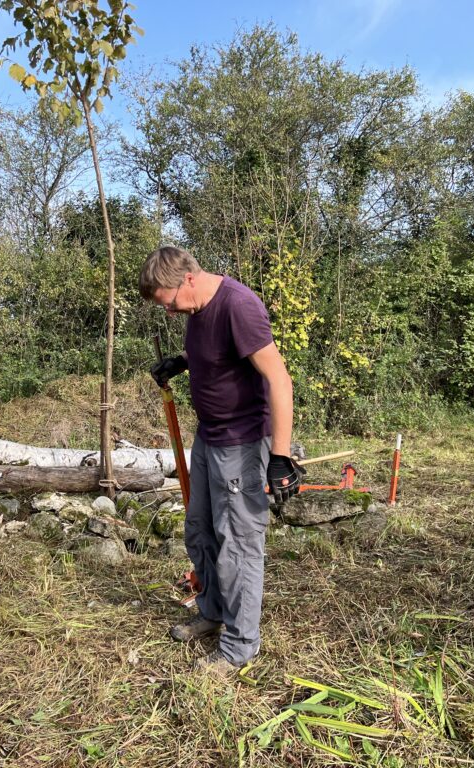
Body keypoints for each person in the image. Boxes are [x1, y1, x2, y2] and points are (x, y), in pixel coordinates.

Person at [139, 245, 304, 675]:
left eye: (170, 302)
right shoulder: (196, 310)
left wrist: (281, 456)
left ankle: (240, 645)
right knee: (200, 532)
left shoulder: (240, 306)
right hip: (209, 438)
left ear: (187, 279)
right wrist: (182, 363)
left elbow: (279, 380)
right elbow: (215, 357)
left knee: (239, 546)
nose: (171, 312)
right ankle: (212, 612)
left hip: (243, 443)